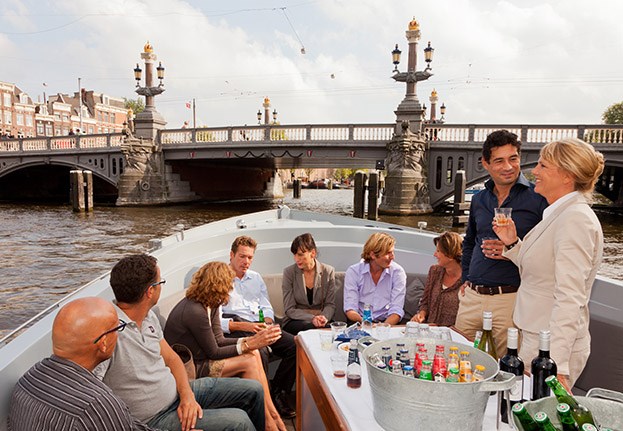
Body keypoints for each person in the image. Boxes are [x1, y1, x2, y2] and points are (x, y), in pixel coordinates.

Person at [96, 253, 265, 431]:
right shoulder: (108, 333)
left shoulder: (148, 316)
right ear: (150, 291)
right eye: (160, 282)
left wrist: (187, 396)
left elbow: (172, 359)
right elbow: (95, 398)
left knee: (253, 390)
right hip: (154, 419)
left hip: (177, 392)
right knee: (239, 422)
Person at [495, 138, 604, 391]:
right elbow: (543, 272)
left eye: (543, 165)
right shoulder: (560, 215)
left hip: (548, 347)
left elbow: (569, 297)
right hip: (535, 337)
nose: (535, 172)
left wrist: (557, 365)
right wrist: (512, 244)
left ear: (567, 176)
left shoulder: (575, 219)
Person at [164, 261, 287, 431]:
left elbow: (219, 339)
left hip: (204, 358)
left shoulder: (211, 304)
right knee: (249, 360)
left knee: (255, 354)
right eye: (228, 283)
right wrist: (251, 343)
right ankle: (269, 421)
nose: (230, 287)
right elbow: (214, 351)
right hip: (191, 368)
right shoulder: (194, 310)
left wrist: (252, 342)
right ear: (217, 285)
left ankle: (272, 414)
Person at [456, 129, 548, 355]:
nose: (508, 166)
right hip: (472, 297)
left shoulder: (539, 198)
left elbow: (548, 250)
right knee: (457, 358)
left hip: (511, 299)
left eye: (513, 158)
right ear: (485, 164)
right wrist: (465, 277)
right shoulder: (479, 199)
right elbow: (469, 242)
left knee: (506, 366)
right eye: (499, 161)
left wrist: (513, 246)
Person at [8, 297, 157, 431]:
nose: (118, 335)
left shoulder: (27, 381)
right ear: (103, 343)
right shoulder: (96, 405)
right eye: (117, 328)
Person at [221, 236, 297, 420]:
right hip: (237, 326)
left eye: (250, 257)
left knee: (295, 345)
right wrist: (245, 325)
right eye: (242, 256)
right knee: (260, 351)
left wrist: (269, 322)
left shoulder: (255, 277)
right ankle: (262, 403)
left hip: (260, 325)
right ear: (231, 255)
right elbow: (216, 320)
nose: (246, 262)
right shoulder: (220, 279)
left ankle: (278, 392)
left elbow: (265, 305)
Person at [343, 232, 406, 325]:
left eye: (393, 252)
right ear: (373, 255)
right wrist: (366, 323)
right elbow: (350, 309)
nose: (393, 257)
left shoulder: (398, 273)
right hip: (359, 321)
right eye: (388, 253)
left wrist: (382, 328)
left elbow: (396, 310)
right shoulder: (354, 272)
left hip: (387, 323)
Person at [281, 233, 336, 335]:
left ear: (313, 253)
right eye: (295, 254)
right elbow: (289, 309)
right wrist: (312, 318)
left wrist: (324, 318)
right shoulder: (289, 273)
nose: (296, 259)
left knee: (334, 329)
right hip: (295, 321)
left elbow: (330, 305)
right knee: (312, 328)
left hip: (322, 321)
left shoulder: (328, 271)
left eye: (300, 254)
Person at [411, 231, 463, 327]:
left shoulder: (468, 280)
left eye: (438, 251)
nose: (435, 254)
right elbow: (425, 302)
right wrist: (421, 314)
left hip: (454, 334)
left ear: (450, 254)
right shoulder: (434, 271)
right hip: (427, 331)